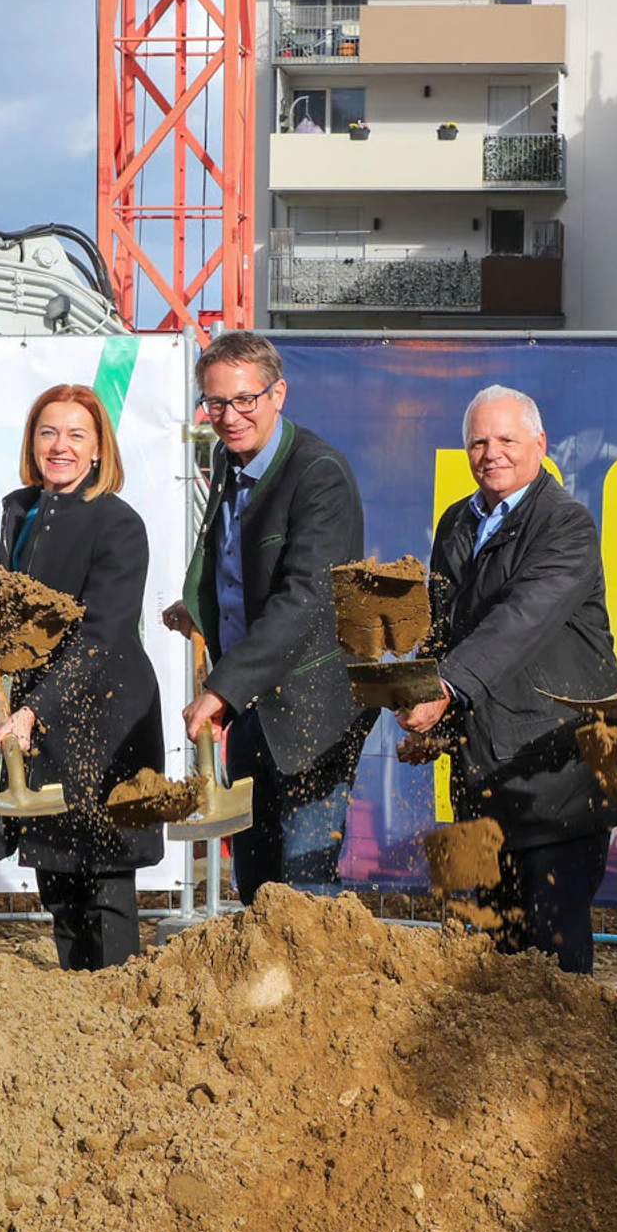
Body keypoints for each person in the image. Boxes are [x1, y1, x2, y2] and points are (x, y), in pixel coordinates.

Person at [394, 386, 617, 974]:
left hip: (556, 775)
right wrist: (436, 725)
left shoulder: (566, 525)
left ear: (540, 446)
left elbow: (517, 622)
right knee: (472, 954)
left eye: (506, 440)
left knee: (553, 964)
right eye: (478, 441)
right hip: (475, 777)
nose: (490, 453)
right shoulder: (456, 522)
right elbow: (446, 631)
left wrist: (443, 690)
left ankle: (562, 1069)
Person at [162, 331, 373, 904]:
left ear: (278, 393)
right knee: (255, 886)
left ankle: (313, 995)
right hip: (253, 709)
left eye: (243, 400)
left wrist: (221, 690)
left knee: (304, 894)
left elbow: (306, 598)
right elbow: (241, 562)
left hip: (313, 712)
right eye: (215, 404)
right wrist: (203, 607)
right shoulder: (225, 459)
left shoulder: (319, 473)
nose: (229, 417)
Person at [0, 384, 165, 969]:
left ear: (98, 449)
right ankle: (78, 1017)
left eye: (76, 435)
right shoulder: (22, 512)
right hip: (41, 718)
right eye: (48, 433)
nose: (61, 446)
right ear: (32, 443)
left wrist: (35, 711)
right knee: (57, 880)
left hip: (105, 719)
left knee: (105, 884)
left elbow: (102, 635)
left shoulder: (118, 524)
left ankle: (116, 1021)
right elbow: (9, 604)